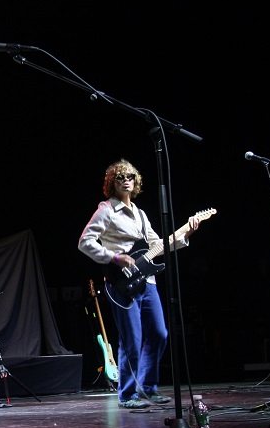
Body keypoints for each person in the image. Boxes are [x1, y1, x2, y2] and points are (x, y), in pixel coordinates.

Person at [78, 159, 201, 409]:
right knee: (132, 339)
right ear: (112, 183)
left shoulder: (141, 214)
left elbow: (158, 245)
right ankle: (127, 394)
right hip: (120, 283)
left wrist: (185, 233)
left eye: (130, 177)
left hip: (147, 282)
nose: (126, 180)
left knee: (159, 334)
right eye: (120, 177)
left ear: (136, 182)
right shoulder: (106, 210)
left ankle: (148, 387)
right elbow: (85, 242)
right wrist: (114, 257)